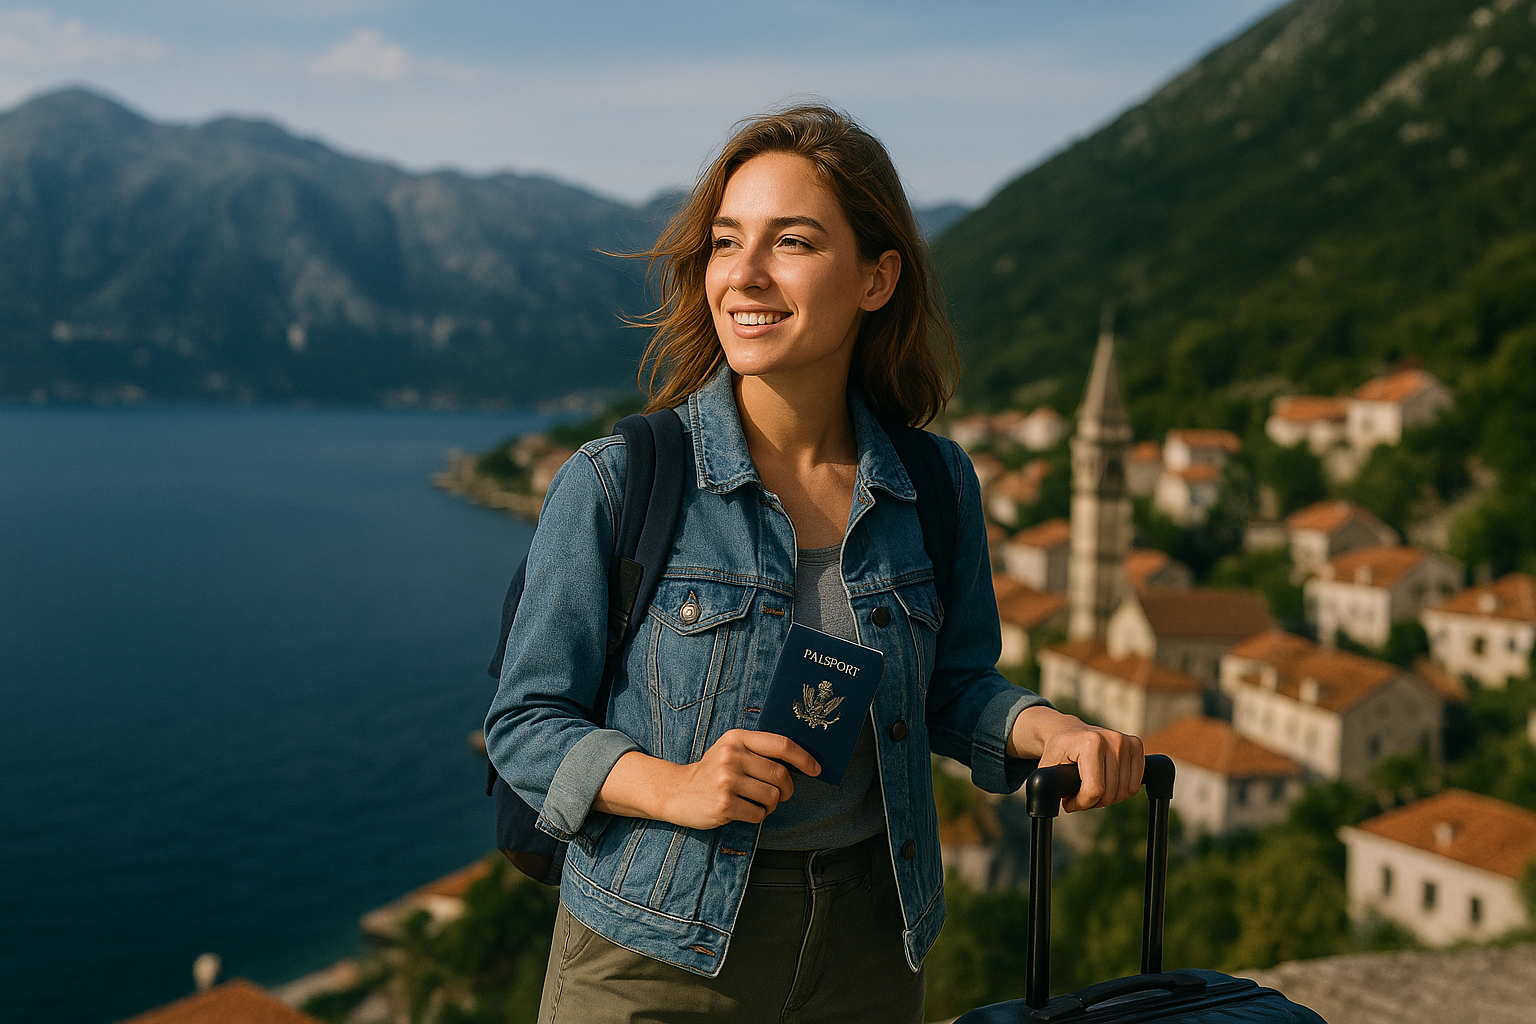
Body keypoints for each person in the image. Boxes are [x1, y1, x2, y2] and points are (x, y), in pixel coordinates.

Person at [485, 104, 1145, 1024]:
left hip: (870, 946)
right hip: (654, 949)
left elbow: (950, 687)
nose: (744, 275)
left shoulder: (935, 483)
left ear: (877, 279)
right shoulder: (615, 480)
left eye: (790, 241)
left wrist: (1050, 727)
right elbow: (523, 723)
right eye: (725, 242)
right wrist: (675, 784)